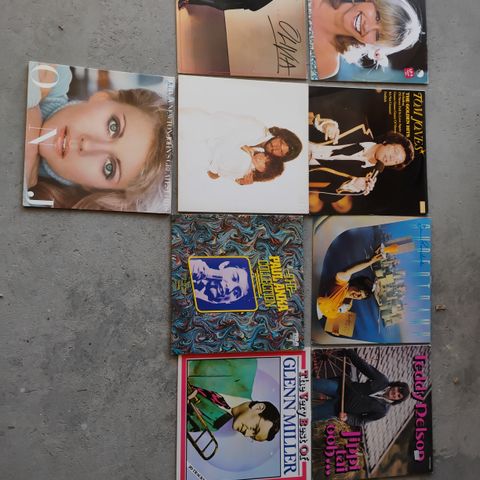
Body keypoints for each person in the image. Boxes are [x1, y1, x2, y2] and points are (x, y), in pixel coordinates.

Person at [25, 62, 171, 212]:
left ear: (92, 187)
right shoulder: (51, 68)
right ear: (103, 97)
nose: (87, 145)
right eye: (113, 126)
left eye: (109, 168)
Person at [179, 109, 302, 185]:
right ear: (279, 135)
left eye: (280, 152)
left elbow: (225, 160)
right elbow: (224, 146)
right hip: (192, 127)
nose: (276, 148)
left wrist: (241, 179)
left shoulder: (256, 152)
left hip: (194, 145)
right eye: (280, 143)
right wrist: (215, 172)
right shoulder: (257, 130)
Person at [309, 0, 422, 80]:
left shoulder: (327, 65)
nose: (367, 26)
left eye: (377, 35)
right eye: (377, 17)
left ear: (373, 45)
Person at [187, 358, 281, 442]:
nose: (246, 434)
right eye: (255, 428)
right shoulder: (246, 364)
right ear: (258, 407)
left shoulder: (213, 425)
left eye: (252, 436)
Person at [312, 349, 410, 427]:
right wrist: (350, 353)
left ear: (397, 400)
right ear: (396, 385)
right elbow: (364, 367)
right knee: (312, 384)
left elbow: (362, 421)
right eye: (398, 389)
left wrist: (347, 418)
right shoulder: (382, 381)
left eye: (398, 396)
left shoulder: (382, 411)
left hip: (339, 408)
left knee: (311, 414)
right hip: (340, 388)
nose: (395, 393)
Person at [316, 248, 383, 320]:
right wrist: (370, 261)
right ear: (355, 283)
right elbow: (348, 272)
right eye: (358, 290)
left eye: (360, 296)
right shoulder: (341, 284)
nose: (356, 295)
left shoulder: (347, 305)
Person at [178, 0, 274, 11]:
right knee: (219, 4)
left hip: (243, 3)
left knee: (220, 5)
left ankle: (188, 1)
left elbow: (255, 7)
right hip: (244, 3)